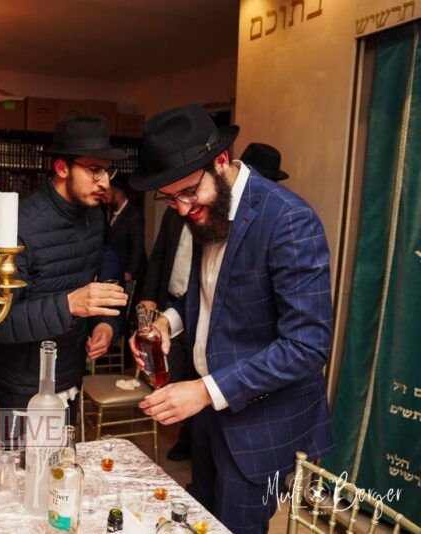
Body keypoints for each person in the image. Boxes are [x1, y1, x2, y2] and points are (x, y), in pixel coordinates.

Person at [129, 104, 334, 533]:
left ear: (220, 161)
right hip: (210, 417)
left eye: (189, 192)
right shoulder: (208, 211)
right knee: (202, 520)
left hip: (259, 424)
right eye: (169, 198)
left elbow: (307, 346)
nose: (181, 209)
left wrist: (204, 391)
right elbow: (209, 297)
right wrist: (167, 323)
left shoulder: (289, 220)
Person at [0, 116, 128, 423]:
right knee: (26, 456)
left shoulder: (94, 215)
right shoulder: (18, 226)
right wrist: (68, 305)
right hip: (23, 384)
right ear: (62, 168)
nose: (105, 183)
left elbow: (101, 277)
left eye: (108, 171)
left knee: (63, 454)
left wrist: (105, 324)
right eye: (94, 170)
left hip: (71, 370)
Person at [137, 206, 194, 461]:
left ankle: (193, 439)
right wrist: (149, 296)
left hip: (201, 308)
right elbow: (159, 255)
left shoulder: (214, 217)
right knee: (174, 372)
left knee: (198, 373)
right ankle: (186, 434)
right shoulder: (173, 213)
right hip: (171, 304)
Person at [102, 174, 145, 282]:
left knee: (129, 293)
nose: (102, 195)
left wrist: (130, 272)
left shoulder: (134, 215)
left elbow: (137, 248)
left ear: (116, 191)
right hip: (115, 270)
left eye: (105, 191)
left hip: (128, 274)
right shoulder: (111, 212)